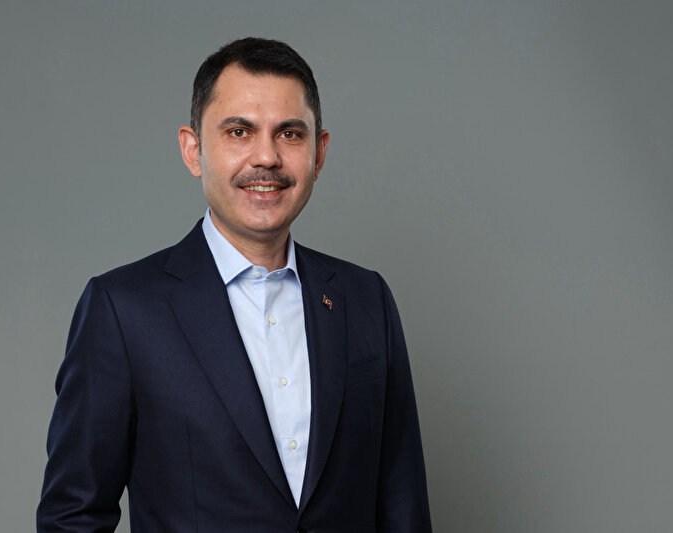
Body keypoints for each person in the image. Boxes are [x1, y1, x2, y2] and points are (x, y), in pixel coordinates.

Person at [36, 37, 432, 532]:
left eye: (290, 134)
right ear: (193, 149)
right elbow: (72, 517)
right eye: (239, 132)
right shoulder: (123, 311)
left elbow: (403, 505)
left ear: (319, 152)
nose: (266, 157)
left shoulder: (366, 299)